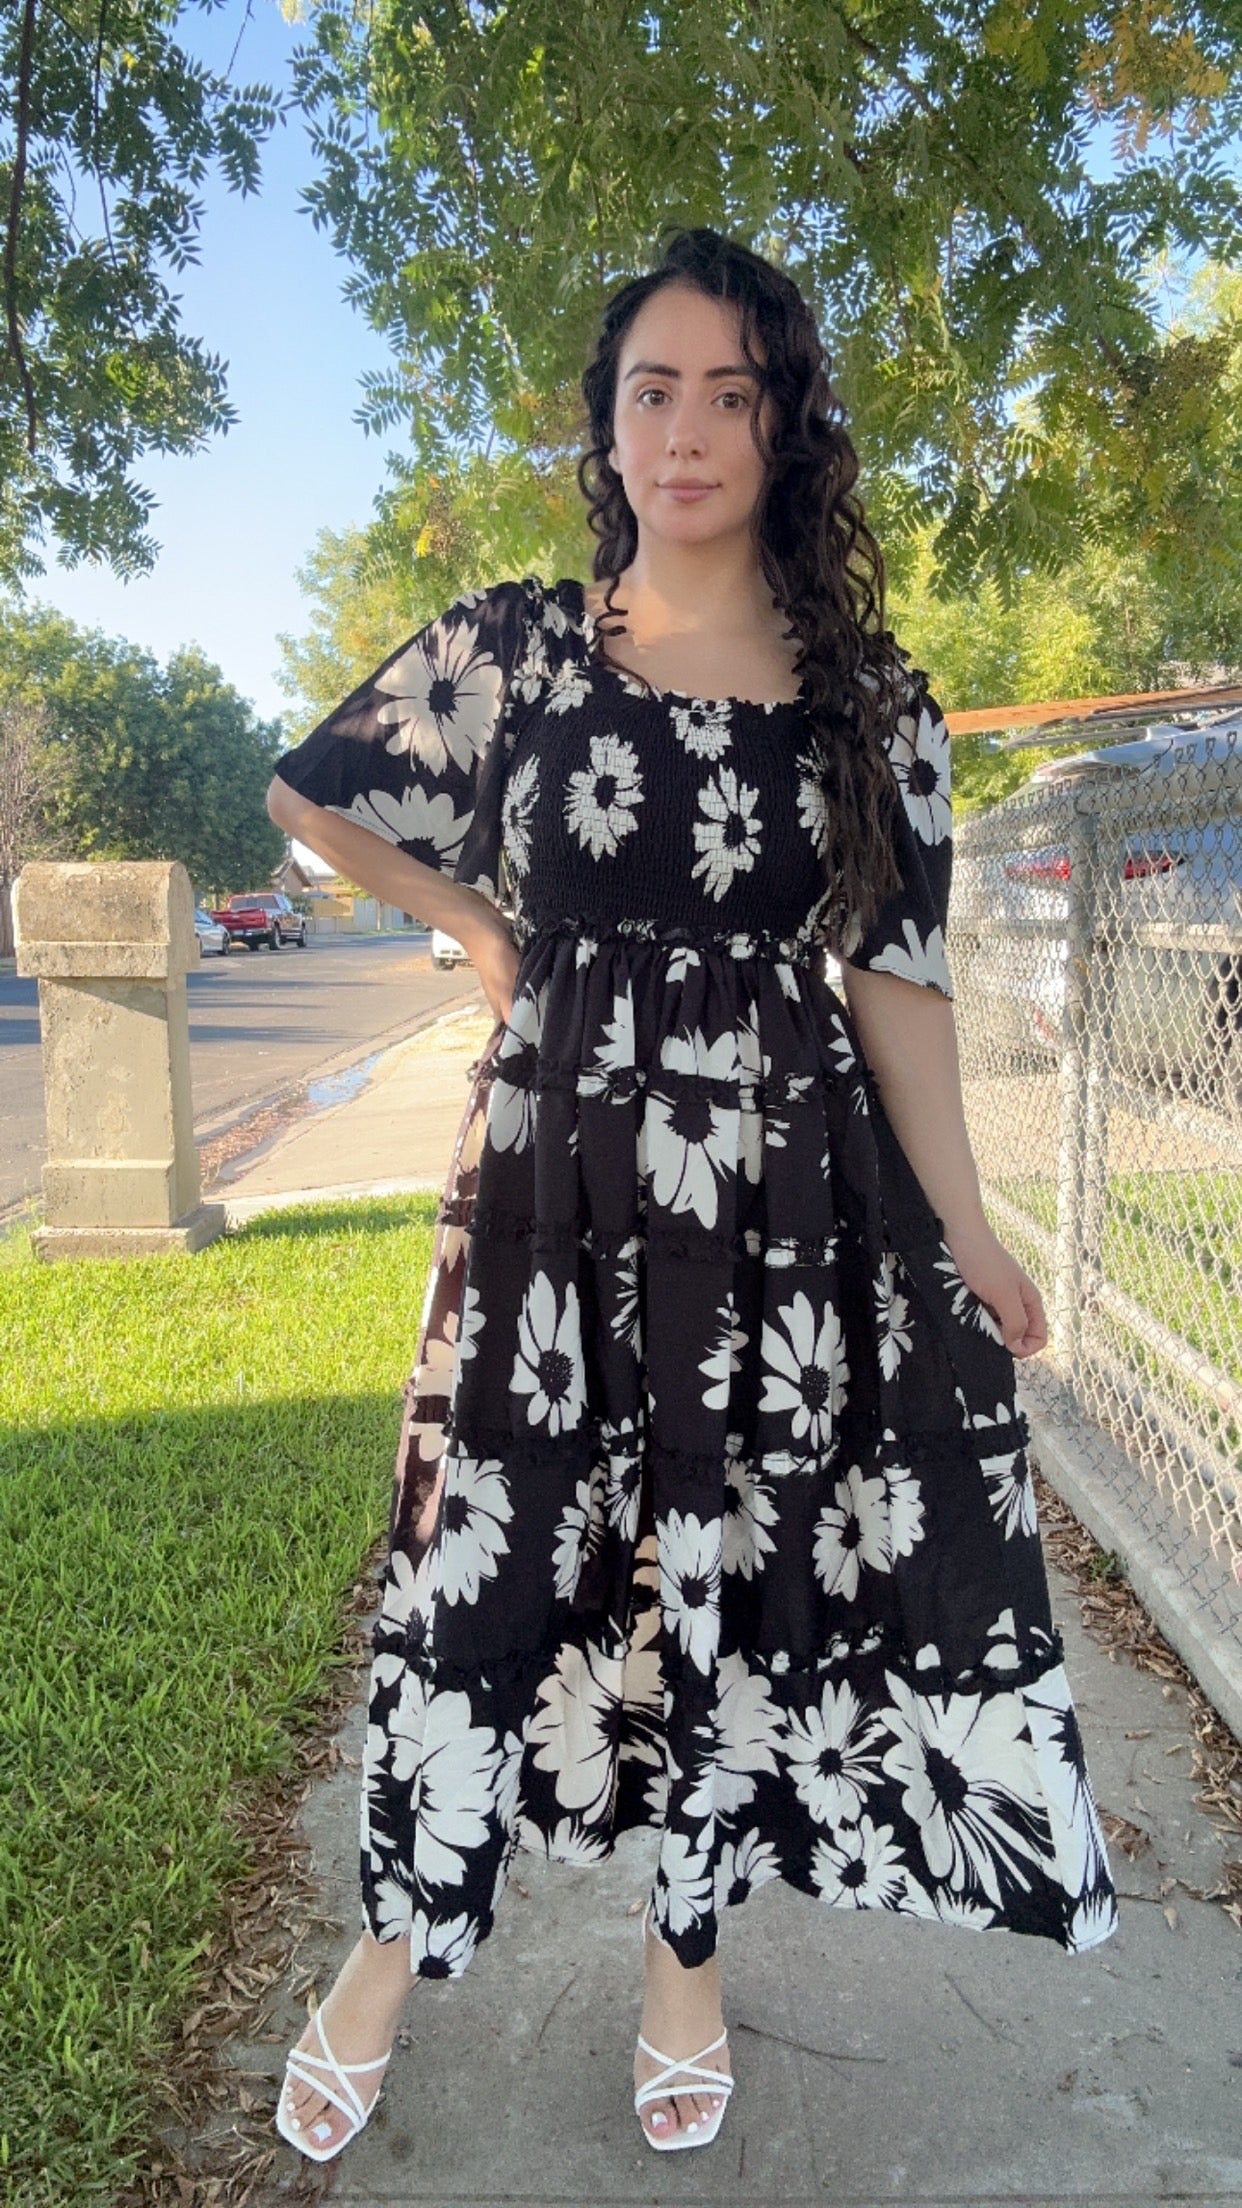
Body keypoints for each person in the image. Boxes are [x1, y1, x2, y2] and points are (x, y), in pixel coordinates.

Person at [266, 226, 1118, 2165]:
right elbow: (310, 799)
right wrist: (478, 924)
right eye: (654, 389)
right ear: (608, 423)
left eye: (734, 392)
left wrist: (970, 1225)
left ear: (786, 427)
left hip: (780, 1205)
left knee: (711, 1575)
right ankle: (398, 1941)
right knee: (485, 1549)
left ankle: (687, 1957)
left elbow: (898, 974)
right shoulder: (518, 645)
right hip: (549, 1192)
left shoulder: (864, 697)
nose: (690, 430)